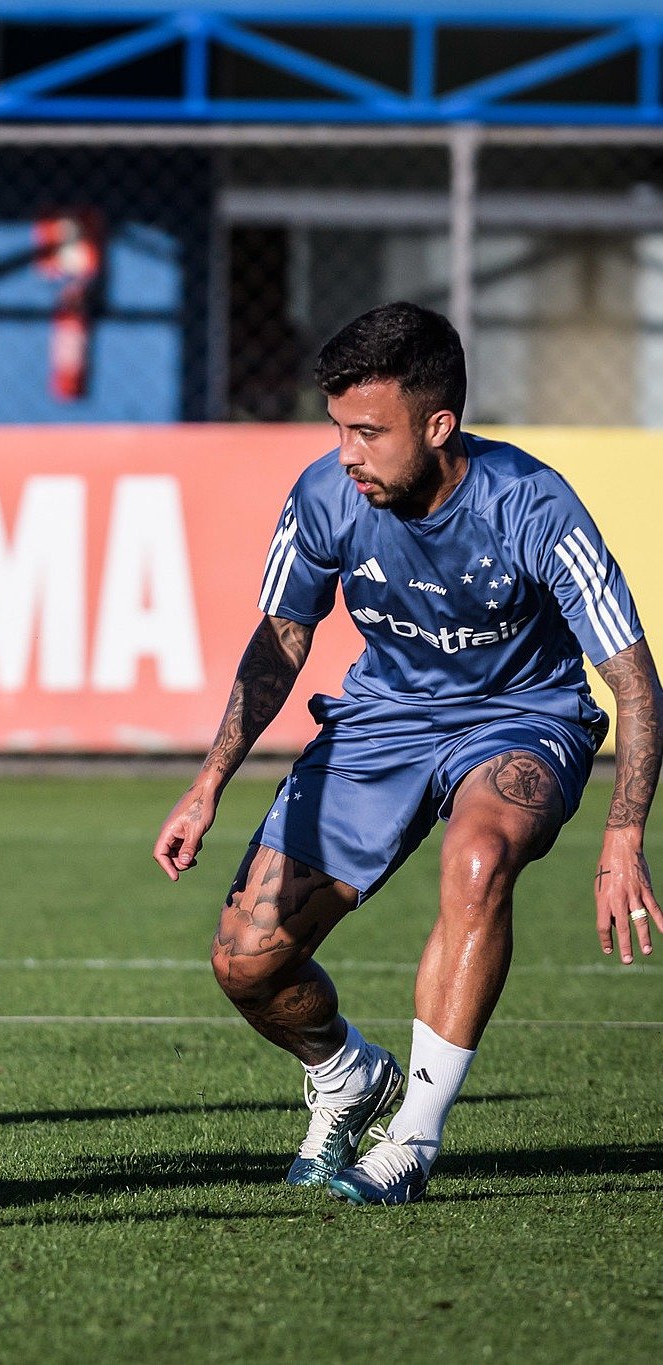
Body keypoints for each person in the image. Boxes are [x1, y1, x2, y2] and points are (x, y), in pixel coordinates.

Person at [153, 301, 661, 1206]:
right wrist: (206, 784)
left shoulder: (530, 504)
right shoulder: (323, 496)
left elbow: (632, 678)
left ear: (437, 425)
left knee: (477, 857)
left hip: (521, 718)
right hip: (382, 719)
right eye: (338, 428)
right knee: (247, 960)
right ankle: (347, 1072)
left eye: (367, 431)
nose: (347, 452)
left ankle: (410, 1140)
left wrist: (622, 831)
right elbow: (279, 639)